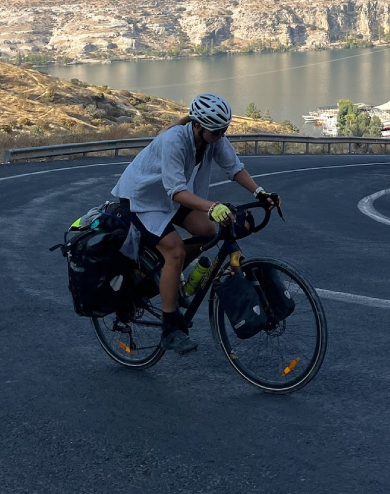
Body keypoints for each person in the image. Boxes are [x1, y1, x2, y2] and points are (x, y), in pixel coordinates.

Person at [112, 93, 280, 354]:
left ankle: (164, 275)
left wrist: (260, 193)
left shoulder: (213, 138)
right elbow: (176, 192)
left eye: (225, 130)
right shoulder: (173, 141)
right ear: (198, 126)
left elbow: (234, 168)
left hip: (172, 196)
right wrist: (212, 206)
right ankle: (170, 329)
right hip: (142, 198)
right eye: (217, 131)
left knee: (207, 231)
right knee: (175, 250)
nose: (221, 135)